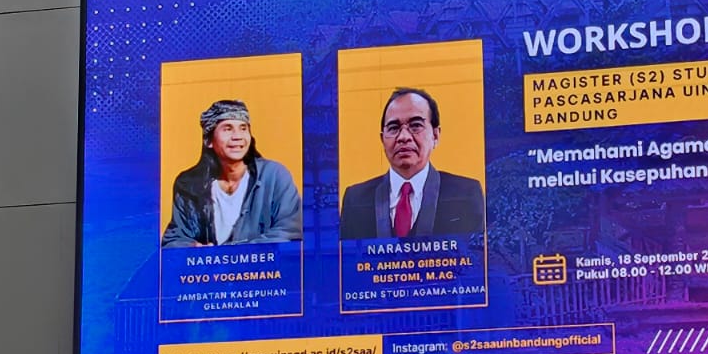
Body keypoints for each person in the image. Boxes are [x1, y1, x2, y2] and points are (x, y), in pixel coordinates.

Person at [338, 87, 486, 240]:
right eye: (394, 128)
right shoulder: (356, 199)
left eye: (416, 126)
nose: (403, 137)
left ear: (435, 135)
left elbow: (475, 253)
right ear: (382, 139)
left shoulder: (465, 194)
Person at [162, 99, 302, 246]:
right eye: (228, 129)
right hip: (208, 263)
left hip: (262, 262)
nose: (237, 136)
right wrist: (193, 248)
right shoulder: (189, 184)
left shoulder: (274, 176)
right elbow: (173, 241)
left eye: (243, 128)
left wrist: (231, 253)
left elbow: (289, 231)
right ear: (209, 140)